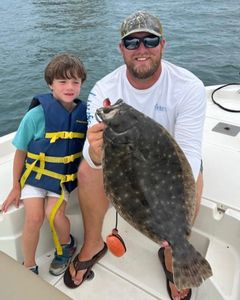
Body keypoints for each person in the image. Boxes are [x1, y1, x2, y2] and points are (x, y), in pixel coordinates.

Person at [64, 11, 206, 300]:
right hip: (122, 166)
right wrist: (94, 150)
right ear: (121, 49)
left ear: (162, 45)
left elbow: (189, 153)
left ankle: (173, 252)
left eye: (149, 41)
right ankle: (92, 244)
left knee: (195, 174)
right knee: (87, 169)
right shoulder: (105, 88)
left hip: (167, 168)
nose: (141, 49)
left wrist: (166, 209)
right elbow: (92, 157)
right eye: (132, 43)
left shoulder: (188, 87)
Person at [1, 53, 87, 276]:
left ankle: (67, 246)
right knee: (34, 218)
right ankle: (29, 265)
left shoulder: (85, 116)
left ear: (81, 85)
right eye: (62, 81)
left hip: (61, 181)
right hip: (35, 180)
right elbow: (20, 151)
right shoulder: (35, 116)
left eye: (75, 82)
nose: (70, 86)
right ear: (51, 84)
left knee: (55, 214)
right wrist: (16, 186)